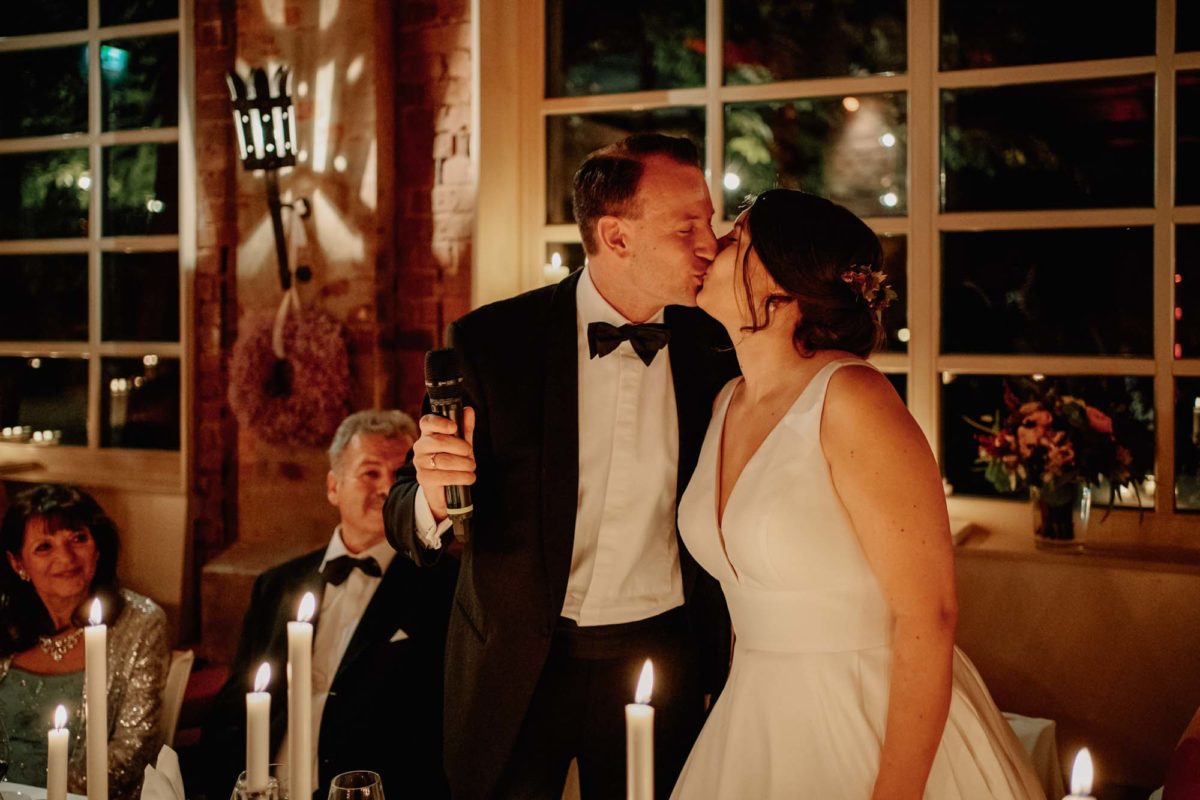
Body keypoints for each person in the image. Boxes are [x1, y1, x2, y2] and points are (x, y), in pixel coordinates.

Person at [385, 133, 739, 800]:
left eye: (711, 222)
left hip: (661, 662)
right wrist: (431, 498)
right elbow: (403, 509)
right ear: (616, 236)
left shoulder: (718, 345)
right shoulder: (493, 342)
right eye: (687, 226)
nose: (709, 244)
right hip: (516, 665)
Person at [670, 189, 1045, 799]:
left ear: (782, 281)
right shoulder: (726, 402)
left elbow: (930, 613)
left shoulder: (852, 399)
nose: (714, 245)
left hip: (865, 716)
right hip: (752, 719)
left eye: (737, 237)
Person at [199, 410, 458, 799]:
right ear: (333, 487)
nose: (387, 488)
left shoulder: (444, 586)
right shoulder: (276, 585)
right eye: (370, 472)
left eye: (401, 476)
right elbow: (236, 705)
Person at [0, 484, 169, 800]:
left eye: (78, 539)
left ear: (98, 549)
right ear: (18, 563)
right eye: (44, 547)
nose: (66, 557)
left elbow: (132, 749)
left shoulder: (140, 622)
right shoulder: (5, 619)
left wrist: (51, 793)